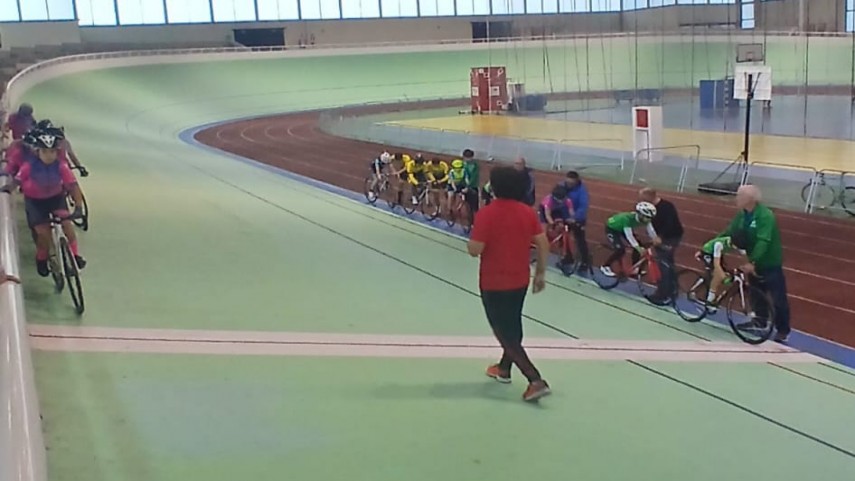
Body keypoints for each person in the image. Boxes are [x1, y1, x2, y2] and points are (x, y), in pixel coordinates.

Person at [467, 166, 551, 403]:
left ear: (493, 187)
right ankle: (504, 368)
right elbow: (543, 244)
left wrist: (473, 242)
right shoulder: (527, 212)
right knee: (513, 324)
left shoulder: (487, 214)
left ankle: (535, 379)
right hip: (520, 278)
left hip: (494, 281)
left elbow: (475, 250)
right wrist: (541, 274)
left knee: (502, 332)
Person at [720, 184, 791, 342]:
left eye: (739, 196)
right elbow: (729, 231)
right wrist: (711, 245)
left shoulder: (765, 216)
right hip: (754, 262)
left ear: (749, 199)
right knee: (756, 295)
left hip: (769, 263)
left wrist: (753, 261)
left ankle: (783, 330)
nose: (736, 199)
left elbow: (763, 241)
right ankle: (759, 321)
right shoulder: (743, 214)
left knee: (778, 299)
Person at [12, 128, 86, 276]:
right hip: (35, 203)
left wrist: (78, 207)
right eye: (45, 152)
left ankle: (75, 256)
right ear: (37, 152)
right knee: (43, 234)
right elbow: (16, 181)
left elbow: (73, 187)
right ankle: (41, 259)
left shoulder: (61, 167)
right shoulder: (28, 167)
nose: (49, 155)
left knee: (67, 224)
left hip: (55, 199)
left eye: (52, 152)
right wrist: (8, 188)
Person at [639, 188, 684, 304]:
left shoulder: (666, 207)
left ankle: (663, 294)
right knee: (668, 263)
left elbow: (670, 224)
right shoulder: (649, 208)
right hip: (662, 236)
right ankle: (672, 289)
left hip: (671, 237)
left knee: (664, 264)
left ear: (650, 196)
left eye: (644, 198)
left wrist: (660, 237)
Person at [600, 202, 660, 278]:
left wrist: (656, 240)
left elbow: (651, 231)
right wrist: (638, 248)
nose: (648, 220)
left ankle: (634, 269)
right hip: (612, 229)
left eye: (650, 218)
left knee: (639, 244)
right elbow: (629, 236)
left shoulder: (646, 220)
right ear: (640, 214)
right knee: (620, 250)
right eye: (647, 217)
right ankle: (605, 266)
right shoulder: (627, 219)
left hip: (623, 229)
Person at [695, 230, 749, 311]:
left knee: (722, 273)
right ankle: (709, 301)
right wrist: (723, 277)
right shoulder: (719, 244)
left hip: (718, 254)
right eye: (737, 247)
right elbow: (717, 265)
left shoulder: (738, 243)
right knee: (718, 276)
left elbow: (746, 258)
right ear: (732, 243)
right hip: (708, 252)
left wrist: (748, 267)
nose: (738, 249)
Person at [562, 171, 591, 271]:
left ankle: (585, 261)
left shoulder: (582, 191)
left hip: (578, 219)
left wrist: (575, 218)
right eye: (568, 183)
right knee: (564, 237)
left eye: (571, 184)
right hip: (565, 216)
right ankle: (568, 257)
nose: (569, 185)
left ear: (576, 181)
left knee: (580, 240)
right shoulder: (562, 185)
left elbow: (583, 207)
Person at [461, 149, 480, 215]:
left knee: (475, 205)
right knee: (467, 204)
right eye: (466, 157)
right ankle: (470, 218)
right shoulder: (462, 164)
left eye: (468, 158)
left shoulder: (475, 165)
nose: (467, 159)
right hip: (464, 187)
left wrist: (468, 187)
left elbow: (473, 177)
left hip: (473, 187)